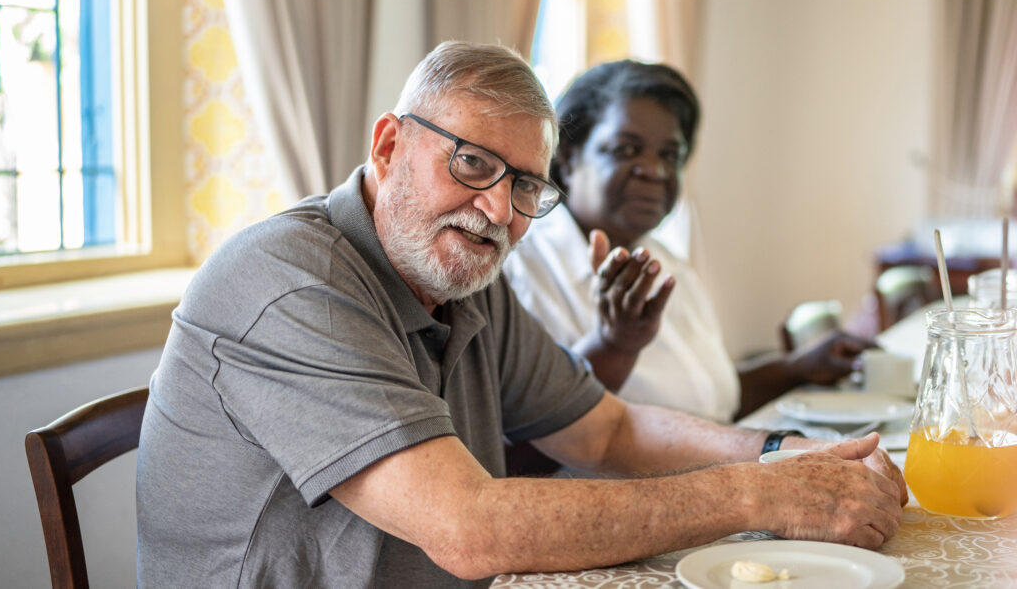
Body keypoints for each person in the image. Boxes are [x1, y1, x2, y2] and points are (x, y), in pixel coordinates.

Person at [137, 42, 906, 589]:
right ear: (388, 144)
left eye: (527, 187)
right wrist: (759, 493)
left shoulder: (464, 276)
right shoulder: (289, 281)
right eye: (471, 162)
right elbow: (470, 528)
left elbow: (610, 431)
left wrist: (787, 451)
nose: (498, 209)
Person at [504, 60, 869, 427]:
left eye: (670, 155)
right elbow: (526, 438)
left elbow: (708, 403)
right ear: (567, 158)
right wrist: (614, 345)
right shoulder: (524, 271)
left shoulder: (666, 262)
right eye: (626, 150)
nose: (654, 170)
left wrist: (797, 368)